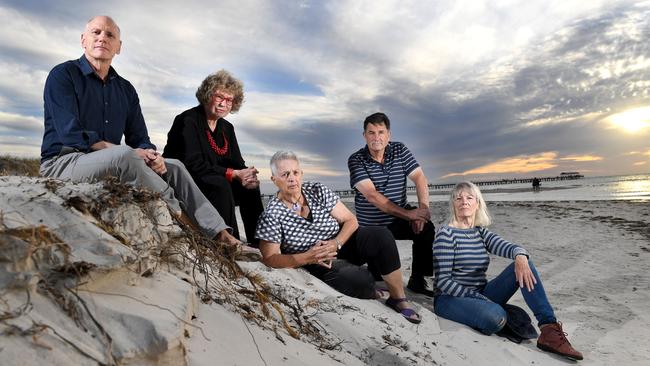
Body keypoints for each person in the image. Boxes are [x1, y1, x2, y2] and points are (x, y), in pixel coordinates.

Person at [39, 15, 259, 260]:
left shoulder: (126, 89)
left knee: (174, 165)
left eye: (110, 35)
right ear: (83, 40)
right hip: (63, 162)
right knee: (124, 154)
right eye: (96, 32)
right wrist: (131, 153)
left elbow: (140, 137)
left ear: (119, 47)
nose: (102, 38)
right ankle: (188, 226)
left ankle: (223, 235)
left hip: (111, 162)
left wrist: (152, 155)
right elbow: (71, 133)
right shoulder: (62, 75)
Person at [256, 151, 421, 323]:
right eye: (285, 174)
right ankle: (369, 286)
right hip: (316, 261)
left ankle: (398, 298)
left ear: (301, 174)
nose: (292, 178)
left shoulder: (316, 190)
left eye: (295, 172)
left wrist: (337, 242)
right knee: (362, 282)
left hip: (341, 243)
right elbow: (270, 258)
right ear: (274, 179)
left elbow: (350, 220)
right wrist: (308, 257)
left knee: (381, 235)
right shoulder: (272, 214)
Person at [432, 181, 583, 360]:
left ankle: (549, 329)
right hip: (450, 299)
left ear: (477, 203)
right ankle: (499, 312)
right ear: (453, 204)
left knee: (525, 265)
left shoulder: (480, 232)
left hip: (482, 294)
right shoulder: (446, 234)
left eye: (469, 197)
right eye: (458, 198)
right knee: (496, 318)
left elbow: (508, 246)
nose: (464, 201)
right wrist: (480, 299)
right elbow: (443, 282)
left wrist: (520, 255)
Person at [163, 70, 263, 246]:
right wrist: (232, 174)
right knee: (220, 184)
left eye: (229, 100)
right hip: (186, 182)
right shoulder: (187, 120)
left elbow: (237, 163)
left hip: (214, 178)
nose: (224, 103)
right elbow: (192, 163)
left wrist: (246, 175)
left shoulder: (227, 128)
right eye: (219, 97)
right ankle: (230, 241)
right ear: (208, 95)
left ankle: (259, 243)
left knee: (250, 188)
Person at [347, 112, 435, 296]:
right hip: (372, 228)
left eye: (381, 132)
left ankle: (419, 279)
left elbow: (419, 177)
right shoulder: (356, 159)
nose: (376, 138)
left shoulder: (399, 150)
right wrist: (410, 214)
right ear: (364, 135)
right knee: (378, 279)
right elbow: (372, 195)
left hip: (397, 219)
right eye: (371, 133)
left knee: (425, 228)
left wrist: (422, 210)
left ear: (389, 135)